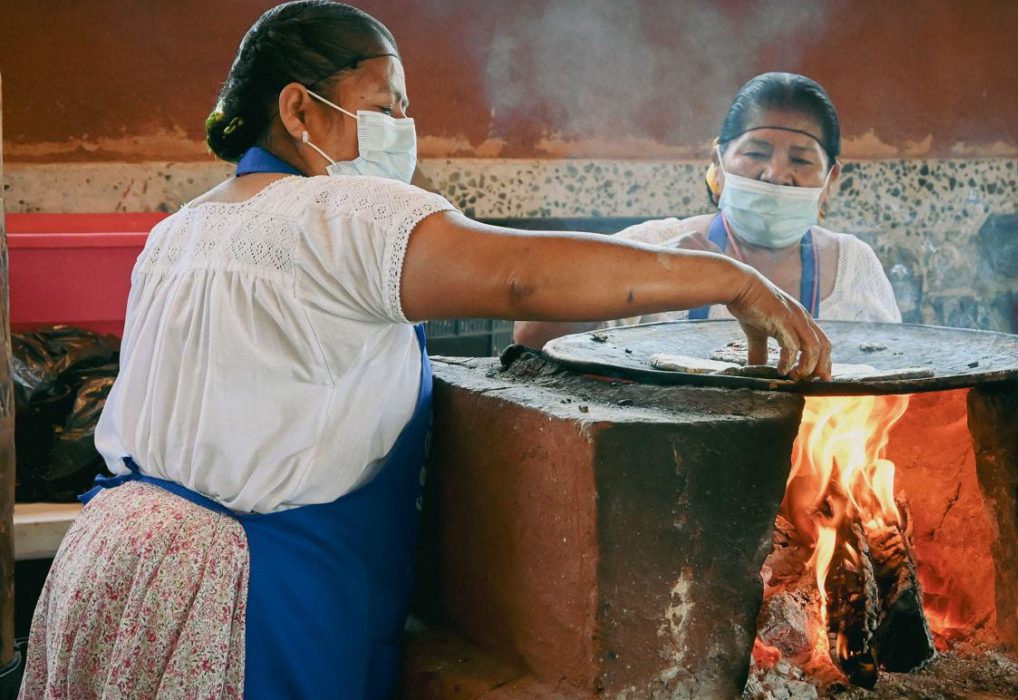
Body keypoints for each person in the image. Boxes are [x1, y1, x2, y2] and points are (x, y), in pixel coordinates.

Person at [18, 3, 831, 699]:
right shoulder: (340, 210)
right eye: (387, 104)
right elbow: (521, 279)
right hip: (247, 601)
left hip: (114, 568)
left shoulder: (182, 226)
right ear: (299, 112)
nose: (404, 130)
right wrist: (729, 278)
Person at [513, 72, 901, 350]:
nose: (776, 174)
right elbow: (531, 335)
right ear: (718, 162)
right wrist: (648, 274)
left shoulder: (853, 266)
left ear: (831, 179)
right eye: (756, 153)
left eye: (800, 160)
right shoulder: (654, 245)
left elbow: (889, 390)